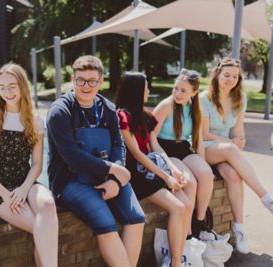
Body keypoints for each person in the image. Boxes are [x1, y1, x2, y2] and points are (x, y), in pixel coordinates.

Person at [47, 55, 145, 267]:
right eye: (81, 80)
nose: (86, 86)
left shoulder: (108, 109)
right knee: (106, 224)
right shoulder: (60, 112)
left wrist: (115, 180)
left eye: (92, 81)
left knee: (136, 218)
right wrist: (113, 169)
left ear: (100, 82)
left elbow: (118, 146)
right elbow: (71, 155)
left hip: (106, 176)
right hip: (70, 181)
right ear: (73, 80)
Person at [0, 63, 58, 267]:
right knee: (44, 229)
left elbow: (37, 163)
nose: (7, 92)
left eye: (12, 86)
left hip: (25, 183)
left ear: (22, 87)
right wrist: (4, 193)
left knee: (47, 204)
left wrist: (24, 188)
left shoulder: (35, 120)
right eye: (2, 87)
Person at [115, 72, 196, 267]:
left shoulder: (146, 116)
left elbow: (155, 147)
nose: (149, 91)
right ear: (135, 91)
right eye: (146, 87)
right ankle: (175, 263)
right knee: (177, 207)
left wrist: (172, 169)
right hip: (136, 173)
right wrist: (166, 178)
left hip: (152, 169)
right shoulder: (122, 116)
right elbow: (137, 154)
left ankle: (177, 258)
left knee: (185, 205)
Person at [200, 57, 273, 254]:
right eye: (227, 75)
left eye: (235, 76)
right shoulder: (204, 98)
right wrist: (232, 145)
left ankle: (239, 230)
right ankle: (266, 198)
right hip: (203, 148)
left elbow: (239, 132)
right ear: (217, 75)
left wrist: (239, 141)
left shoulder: (240, 98)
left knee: (233, 175)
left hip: (224, 149)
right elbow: (205, 134)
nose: (231, 79)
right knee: (231, 149)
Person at [152, 69, 215, 238]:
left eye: (183, 90)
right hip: (166, 149)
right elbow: (151, 137)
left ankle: (199, 221)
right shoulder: (166, 105)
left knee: (206, 174)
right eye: (176, 88)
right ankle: (187, 233)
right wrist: (164, 161)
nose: (178, 94)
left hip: (183, 148)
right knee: (190, 183)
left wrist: (202, 162)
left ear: (194, 93)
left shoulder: (195, 109)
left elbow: (199, 140)